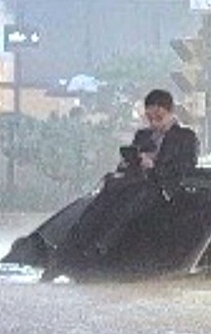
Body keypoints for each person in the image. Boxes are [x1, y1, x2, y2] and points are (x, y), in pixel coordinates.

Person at [70, 89, 199, 258]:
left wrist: (154, 166)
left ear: (171, 113)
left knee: (130, 202)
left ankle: (102, 244)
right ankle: (77, 239)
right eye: (150, 118)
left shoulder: (185, 137)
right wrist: (128, 164)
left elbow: (185, 168)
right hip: (137, 181)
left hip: (163, 187)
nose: (154, 123)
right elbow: (130, 162)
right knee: (105, 194)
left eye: (159, 118)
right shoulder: (143, 135)